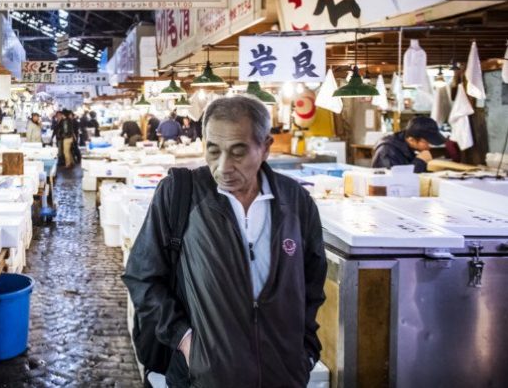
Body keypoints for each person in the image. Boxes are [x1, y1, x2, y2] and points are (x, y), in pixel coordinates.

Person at [123, 96, 327, 387]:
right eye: (213, 150)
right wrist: (185, 340)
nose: (223, 167)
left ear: (265, 147)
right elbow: (142, 276)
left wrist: (304, 351)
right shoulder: (181, 193)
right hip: (203, 377)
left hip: (283, 375)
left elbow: (312, 285)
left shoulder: (295, 201)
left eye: (238, 152)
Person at [371, 116, 445, 173]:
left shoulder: (410, 147)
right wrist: (420, 162)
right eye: (427, 142)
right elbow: (394, 180)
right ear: (411, 140)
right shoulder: (386, 151)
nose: (429, 146)